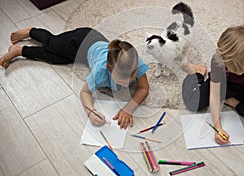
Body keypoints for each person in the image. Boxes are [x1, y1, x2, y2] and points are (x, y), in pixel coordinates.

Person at [0, 27, 149, 130]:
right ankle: (30, 32)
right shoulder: (100, 72)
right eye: (121, 80)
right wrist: (90, 111)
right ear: (108, 69)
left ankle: (21, 50)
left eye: (132, 76)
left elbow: (144, 88)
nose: (128, 83)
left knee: (56, 58)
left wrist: (128, 109)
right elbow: (84, 92)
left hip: (89, 48)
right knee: (51, 43)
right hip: (78, 41)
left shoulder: (135, 62)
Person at [181, 25, 244, 152]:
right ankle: (198, 72)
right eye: (235, 69)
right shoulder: (218, 59)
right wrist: (218, 127)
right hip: (225, 84)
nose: (239, 73)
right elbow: (215, 96)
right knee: (193, 102)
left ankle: (231, 101)